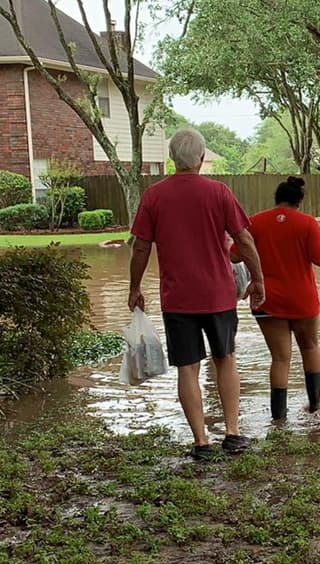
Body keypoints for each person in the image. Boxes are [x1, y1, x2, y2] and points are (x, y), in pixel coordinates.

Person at [128, 128, 264, 461]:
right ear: (202, 159)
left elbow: (141, 247)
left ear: (172, 158)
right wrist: (259, 279)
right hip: (218, 295)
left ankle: (201, 442)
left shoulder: (154, 196)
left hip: (177, 299)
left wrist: (135, 287)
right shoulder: (219, 193)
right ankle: (232, 434)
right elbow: (244, 241)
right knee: (226, 360)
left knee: (187, 368)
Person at [248, 177, 320, 420]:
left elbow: (235, 254)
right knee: (310, 347)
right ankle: (315, 406)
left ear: (276, 198)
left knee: (279, 358)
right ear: (300, 201)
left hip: (266, 300)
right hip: (302, 299)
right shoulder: (307, 223)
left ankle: (279, 417)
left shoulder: (255, 222)